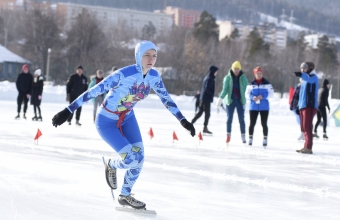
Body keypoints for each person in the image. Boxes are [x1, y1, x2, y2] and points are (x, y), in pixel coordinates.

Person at [52, 41, 195, 210]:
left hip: (127, 118)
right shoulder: (124, 74)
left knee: (139, 158)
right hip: (106, 122)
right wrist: (69, 110)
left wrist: (182, 120)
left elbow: (166, 99)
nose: (151, 59)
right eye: (147, 55)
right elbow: (95, 90)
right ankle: (111, 165)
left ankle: (124, 195)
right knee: (131, 159)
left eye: (154, 55)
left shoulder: (154, 77)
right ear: (138, 56)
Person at [216, 61, 249, 144]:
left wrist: (246, 100)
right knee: (229, 118)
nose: (236, 70)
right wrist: (220, 98)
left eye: (238, 68)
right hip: (230, 101)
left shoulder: (243, 78)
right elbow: (225, 89)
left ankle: (243, 135)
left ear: (240, 69)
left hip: (240, 101)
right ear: (232, 68)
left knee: (241, 119)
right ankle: (228, 135)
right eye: (235, 68)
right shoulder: (227, 78)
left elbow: (247, 90)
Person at [245, 66, 274, 147]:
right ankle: (250, 138)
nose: (259, 75)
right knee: (252, 123)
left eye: (260, 73)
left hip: (264, 107)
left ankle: (265, 139)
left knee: (264, 123)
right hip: (253, 107)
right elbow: (246, 94)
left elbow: (271, 94)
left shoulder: (267, 83)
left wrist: (263, 96)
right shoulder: (251, 84)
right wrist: (252, 97)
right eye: (257, 73)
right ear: (255, 74)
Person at [294, 62, 318, 154]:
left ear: (309, 68)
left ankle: (309, 147)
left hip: (310, 105)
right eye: (301, 68)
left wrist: (301, 75)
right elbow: (301, 94)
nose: (302, 70)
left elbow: (309, 79)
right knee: (304, 127)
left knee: (307, 126)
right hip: (303, 105)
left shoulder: (313, 77)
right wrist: (298, 106)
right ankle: (305, 146)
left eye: (304, 68)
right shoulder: (304, 80)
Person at [191, 66, 219, 134]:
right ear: (213, 71)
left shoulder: (208, 77)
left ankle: (191, 123)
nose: (217, 73)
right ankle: (205, 127)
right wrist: (210, 94)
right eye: (216, 71)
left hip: (203, 98)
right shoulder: (210, 78)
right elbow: (207, 88)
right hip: (206, 99)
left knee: (200, 112)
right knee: (207, 114)